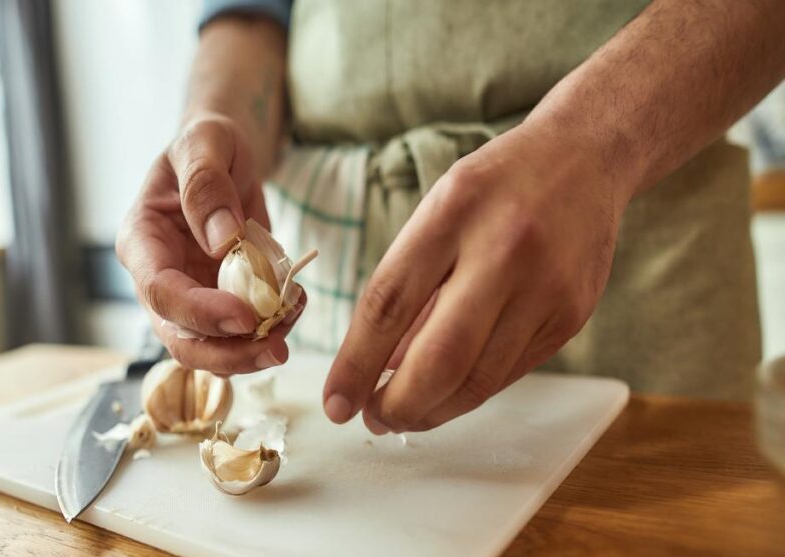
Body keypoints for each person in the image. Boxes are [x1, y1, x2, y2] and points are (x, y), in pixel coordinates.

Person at [117, 0, 785, 435]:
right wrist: (214, 132)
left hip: (641, 257)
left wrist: (597, 142)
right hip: (332, 257)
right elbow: (247, 14)